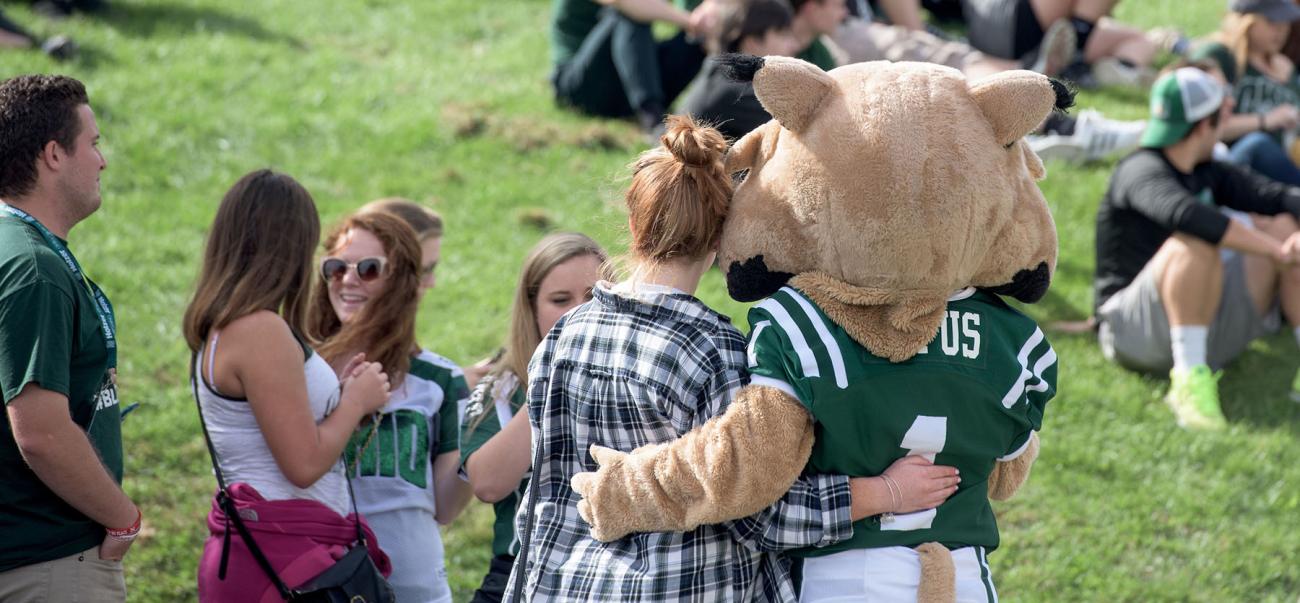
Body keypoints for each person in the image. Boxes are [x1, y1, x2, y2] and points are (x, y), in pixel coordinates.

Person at [507, 116, 960, 601]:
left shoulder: (565, 335)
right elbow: (757, 509)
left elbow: (544, 489)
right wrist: (882, 493)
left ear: (633, 220)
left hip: (560, 585)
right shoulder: (716, 350)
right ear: (722, 236)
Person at [183, 170, 392, 600]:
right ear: (291, 246)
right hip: (284, 560)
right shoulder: (261, 331)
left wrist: (336, 394)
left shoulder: (226, 328)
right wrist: (355, 402)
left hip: (273, 553)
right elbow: (303, 465)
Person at [1094, 67, 1300, 431]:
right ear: (1205, 125)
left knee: (1286, 226)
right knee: (1195, 242)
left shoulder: (1210, 169)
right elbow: (1186, 214)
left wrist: (1286, 244)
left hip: (1204, 319)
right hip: (1131, 333)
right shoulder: (1140, 169)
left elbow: (1279, 197)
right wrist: (1271, 250)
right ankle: (1188, 383)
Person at [0, 74, 134, 603]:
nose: (101, 160)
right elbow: (42, 432)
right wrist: (123, 518)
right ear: (54, 154)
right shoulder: (33, 267)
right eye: (93, 143)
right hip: (45, 562)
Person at [308, 211, 472, 603]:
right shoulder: (297, 371)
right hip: (315, 584)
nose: (348, 279)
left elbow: (445, 508)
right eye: (336, 267)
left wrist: (477, 438)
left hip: (414, 589)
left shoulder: (440, 380)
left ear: (401, 282)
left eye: (368, 269)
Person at [459, 232, 611, 603]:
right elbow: (488, 483)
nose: (580, 309)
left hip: (610, 571)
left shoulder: (638, 373)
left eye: (593, 295)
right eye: (560, 300)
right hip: (520, 572)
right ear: (532, 307)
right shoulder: (504, 384)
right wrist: (553, 380)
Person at [551, 0, 721, 134]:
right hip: (583, 88)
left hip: (635, 79)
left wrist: (711, 8)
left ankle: (725, 111)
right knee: (630, 14)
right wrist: (691, 21)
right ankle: (652, 120)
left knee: (699, 39)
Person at [1191, 0, 1300, 186]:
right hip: (1227, 163)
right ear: (1246, 21)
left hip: (1282, 166)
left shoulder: (1285, 66)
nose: (1281, 30)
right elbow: (1199, 127)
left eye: (1285, 21)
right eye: (1272, 21)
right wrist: (1265, 120)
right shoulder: (1220, 56)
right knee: (1258, 144)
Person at [681, 0, 801, 140]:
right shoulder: (736, 90)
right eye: (783, 34)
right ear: (753, 40)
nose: (794, 45)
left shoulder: (724, 76)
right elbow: (801, 123)